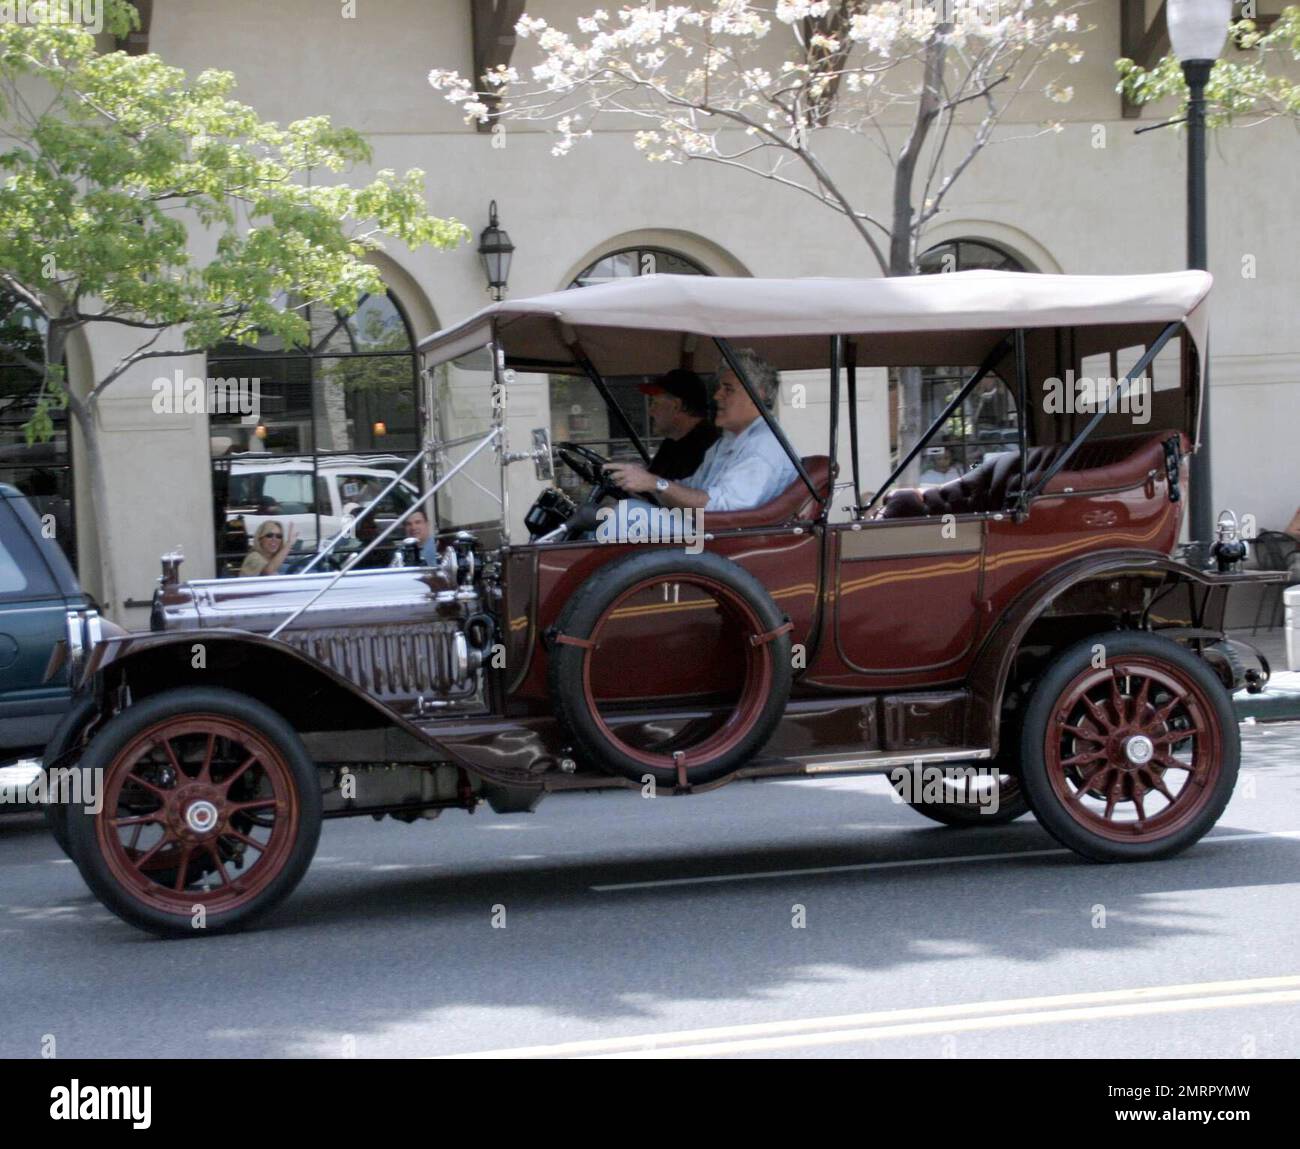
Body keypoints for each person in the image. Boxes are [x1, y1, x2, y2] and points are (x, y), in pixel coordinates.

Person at [604, 348, 796, 515]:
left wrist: (655, 484)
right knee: (620, 512)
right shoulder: (729, 441)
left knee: (626, 515)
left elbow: (722, 508)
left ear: (757, 395)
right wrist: (645, 484)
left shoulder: (763, 446)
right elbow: (694, 488)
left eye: (728, 390)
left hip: (721, 541)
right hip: (706, 534)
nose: (717, 396)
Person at [640, 369, 719, 481]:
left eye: (655, 403)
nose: (650, 411)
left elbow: (671, 493)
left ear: (676, 406)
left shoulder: (706, 449)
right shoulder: (672, 441)